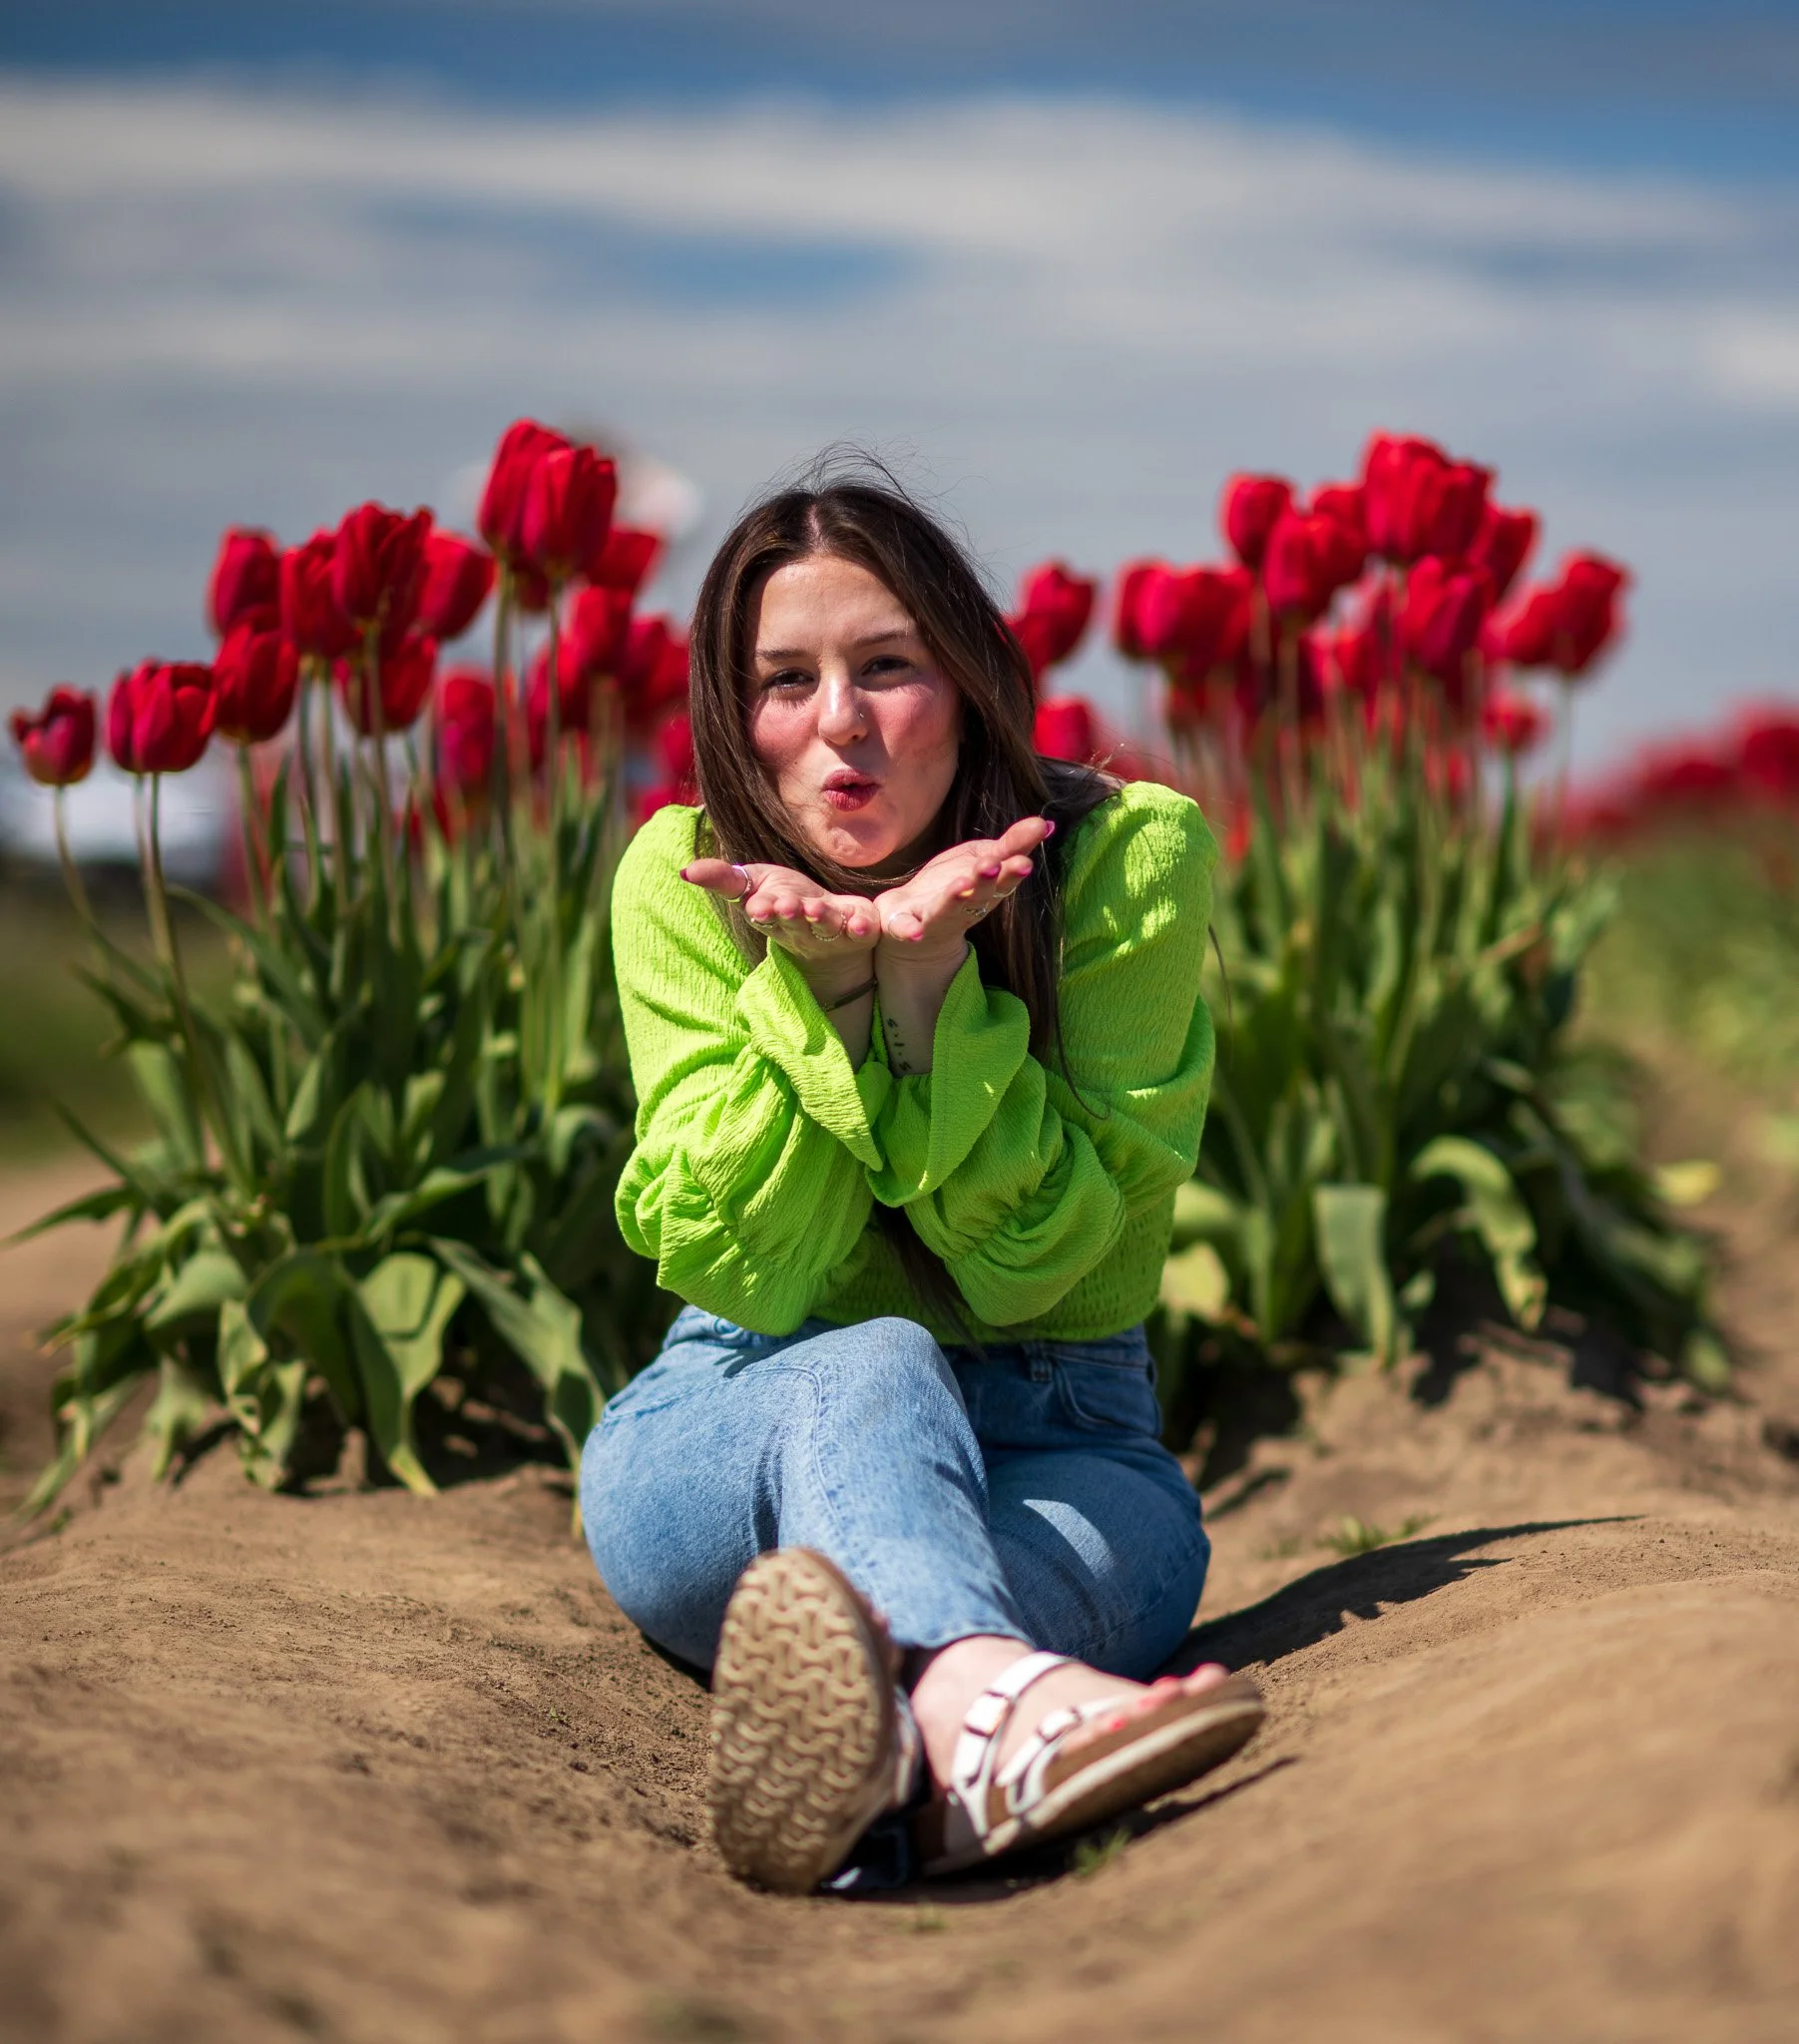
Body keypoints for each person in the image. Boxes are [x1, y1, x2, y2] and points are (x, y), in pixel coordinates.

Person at [580, 471, 1263, 1893]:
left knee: (974, 1570)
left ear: (965, 678)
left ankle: (911, 1744)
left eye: (885, 666)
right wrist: (822, 995)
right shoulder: (687, 876)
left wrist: (931, 990)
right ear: (731, 707)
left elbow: (1047, 1267)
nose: (837, 722)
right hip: (737, 1430)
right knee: (871, 1358)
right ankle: (996, 1718)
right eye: (783, 679)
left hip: (1063, 1447)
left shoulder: (1123, 864)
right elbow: (753, 1267)